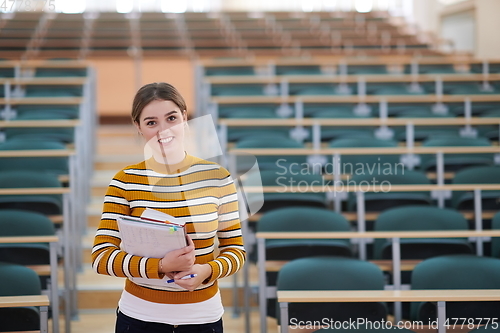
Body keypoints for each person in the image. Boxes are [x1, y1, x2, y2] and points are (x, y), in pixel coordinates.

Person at [91, 82, 246, 333]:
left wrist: (207, 270)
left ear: (185, 118)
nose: (164, 131)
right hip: (139, 316)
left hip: (203, 317)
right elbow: (101, 257)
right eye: (151, 122)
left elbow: (236, 251)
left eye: (171, 118)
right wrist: (161, 267)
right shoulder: (125, 181)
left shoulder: (218, 178)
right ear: (138, 127)